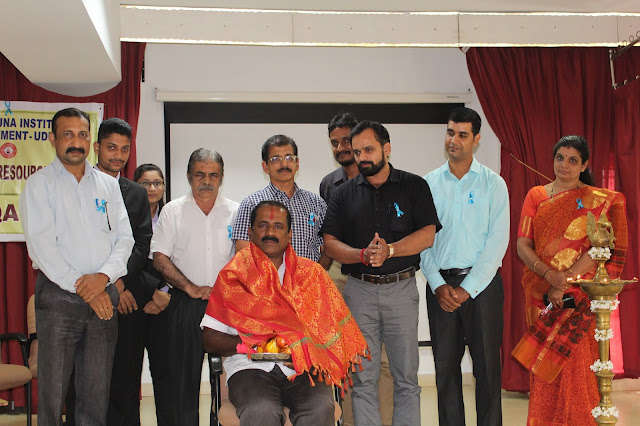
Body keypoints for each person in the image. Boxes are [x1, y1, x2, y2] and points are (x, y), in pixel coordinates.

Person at [201, 200, 368, 426]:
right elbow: (210, 339)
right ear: (250, 232)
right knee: (262, 410)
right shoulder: (233, 277)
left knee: (320, 407)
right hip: (249, 368)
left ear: (289, 234)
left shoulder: (312, 275)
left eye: (278, 226)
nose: (270, 232)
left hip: (302, 370)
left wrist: (307, 351)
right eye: (263, 225)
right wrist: (260, 345)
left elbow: (333, 336)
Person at [19, 108, 134, 425]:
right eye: (67, 134)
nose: (76, 142)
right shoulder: (39, 185)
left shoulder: (108, 185)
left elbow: (125, 239)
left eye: (83, 134)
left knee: (96, 393)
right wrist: (87, 289)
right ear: (53, 139)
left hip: (104, 297)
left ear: (90, 140)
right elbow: (42, 248)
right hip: (59, 299)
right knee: (53, 394)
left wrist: (103, 278)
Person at [321, 120, 441, 426]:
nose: (362, 157)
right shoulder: (342, 193)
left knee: (406, 378)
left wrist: (391, 250)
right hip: (359, 292)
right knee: (363, 379)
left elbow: (427, 234)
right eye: (357, 152)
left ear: (386, 148)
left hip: (401, 290)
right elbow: (330, 243)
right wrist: (361, 255)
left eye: (368, 150)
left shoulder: (414, 186)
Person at [513, 135, 628, 425]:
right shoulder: (536, 195)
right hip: (540, 291)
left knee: (577, 365)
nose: (564, 165)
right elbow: (523, 244)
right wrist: (549, 274)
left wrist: (565, 279)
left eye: (573, 160)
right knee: (545, 369)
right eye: (560, 157)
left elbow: (601, 246)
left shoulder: (598, 200)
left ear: (584, 165)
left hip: (578, 294)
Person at [419, 107, 509, 426]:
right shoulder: (427, 184)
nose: (453, 140)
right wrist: (437, 283)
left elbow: (497, 242)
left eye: (462, 134)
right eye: (449, 132)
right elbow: (422, 240)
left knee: (487, 370)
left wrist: (467, 289)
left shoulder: (493, 184)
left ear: (476, 139)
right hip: (441, 289)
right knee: (445, 371)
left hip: (482, 288)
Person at [151, 148, 239, 425]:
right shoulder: (172, 211)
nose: (206, 181)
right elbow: (159, 257)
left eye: (213, 175)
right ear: (189, 176)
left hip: (225, 308)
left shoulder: (236, 211)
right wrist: (189, 287)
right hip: (185, 305)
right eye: (200, 174)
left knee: (228, 382)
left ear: (221, 177)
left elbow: (244, 257)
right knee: (182, 382)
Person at [319, 112, 394, 426]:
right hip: (340, 277)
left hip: (381, 279)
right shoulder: (329, 184)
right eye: (334, 143)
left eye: (346, 140)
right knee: (350, 359)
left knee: (384, 361)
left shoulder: (386, 179)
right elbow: (328, 238)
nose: (341, 148)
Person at [232, 134, 330, 268]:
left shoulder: (317, 203)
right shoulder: (251, 204)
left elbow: (327, 248)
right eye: (276, 159)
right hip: (266, 280)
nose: (284, 164)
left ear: (297, 163)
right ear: (265, 166)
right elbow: (242, 251)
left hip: (308, 280)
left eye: (289, 158)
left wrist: (314, 276)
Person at [132, 163, 173, 425]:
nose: (152, 188)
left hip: (165, 304)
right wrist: (152, 290)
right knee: (127, 374)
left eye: (157, 183)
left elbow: (179, 260)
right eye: (145, 183)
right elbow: (127, 259)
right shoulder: (125, 215)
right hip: (131, 301)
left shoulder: (172, 216)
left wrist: (165, 291)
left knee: (166, 374)